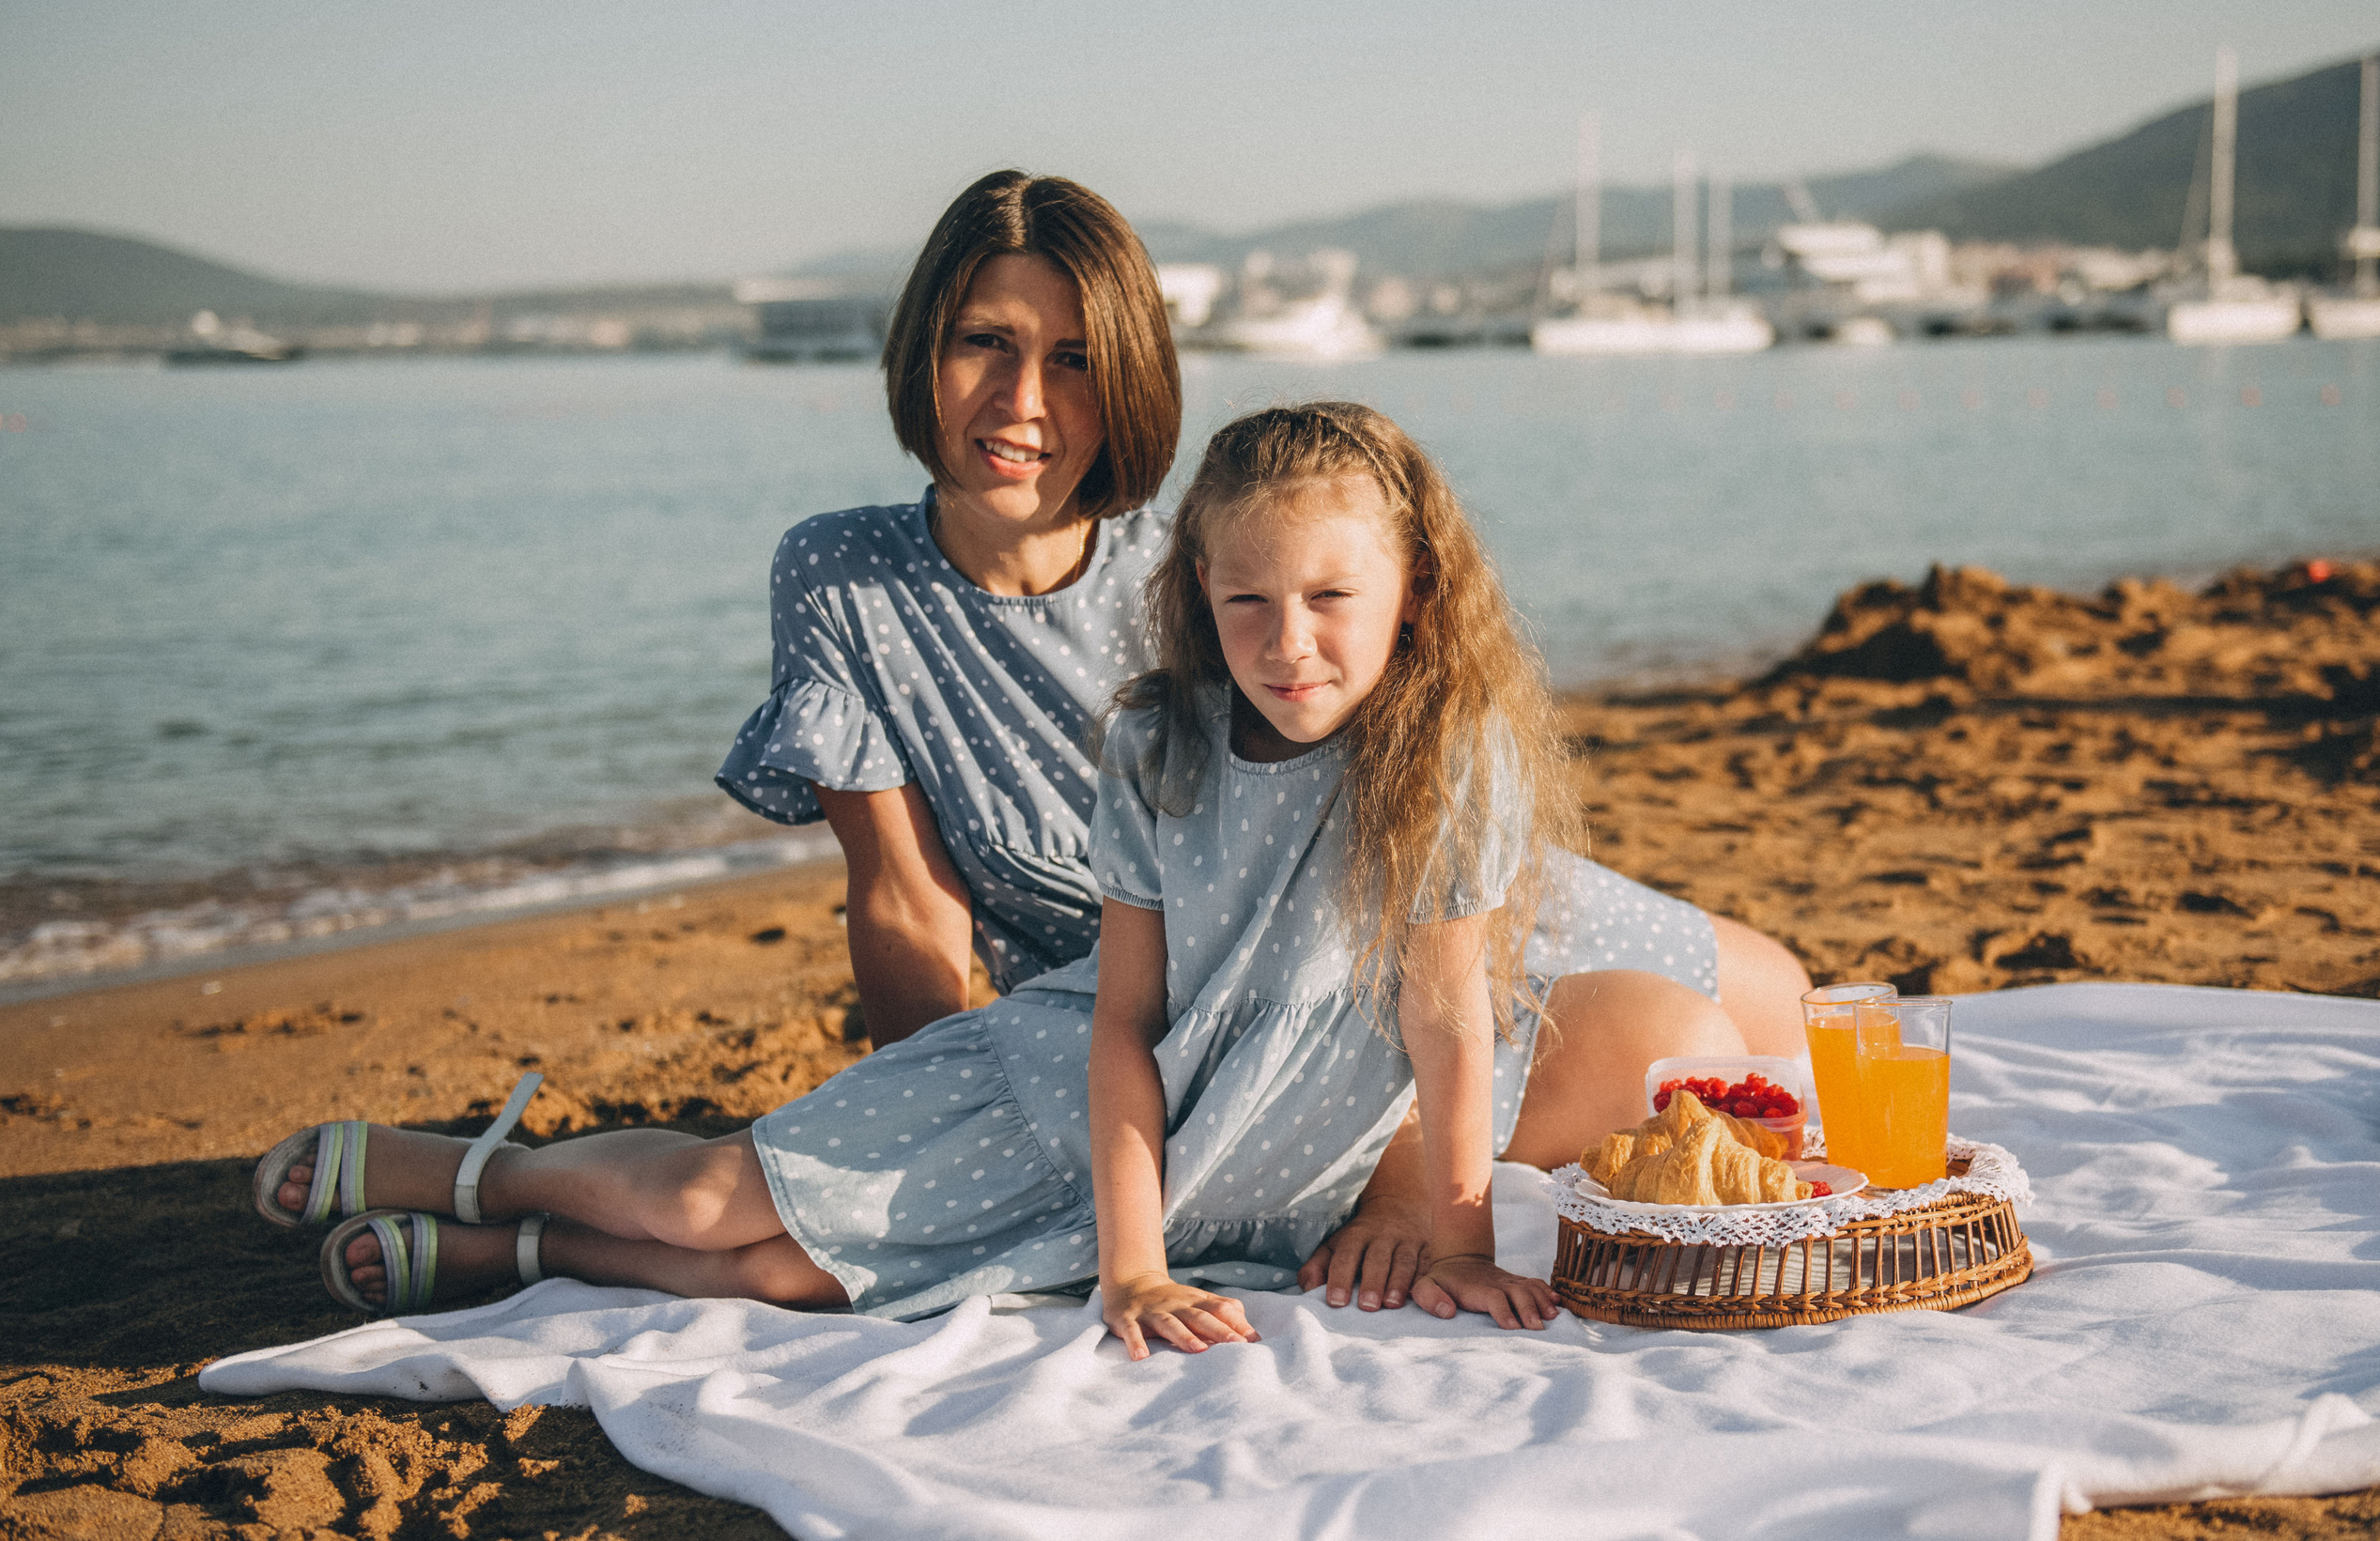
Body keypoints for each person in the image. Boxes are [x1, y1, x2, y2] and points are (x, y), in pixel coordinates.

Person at [254, 171, 1808, 1314]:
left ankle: (1401, 1171)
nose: (1024, 400)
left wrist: (1428, 1182)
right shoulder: (845, 574)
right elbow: (904, 898)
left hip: (1365, 924)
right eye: (985, 345)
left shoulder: (1187, 564)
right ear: (921, 351)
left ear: (1126, 376)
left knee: (1768, 1017)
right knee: (810, 1221)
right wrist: (903, 1123)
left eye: (1071, 359)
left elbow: (1380, 697)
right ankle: (503, 1186)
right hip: (1137, 1002)